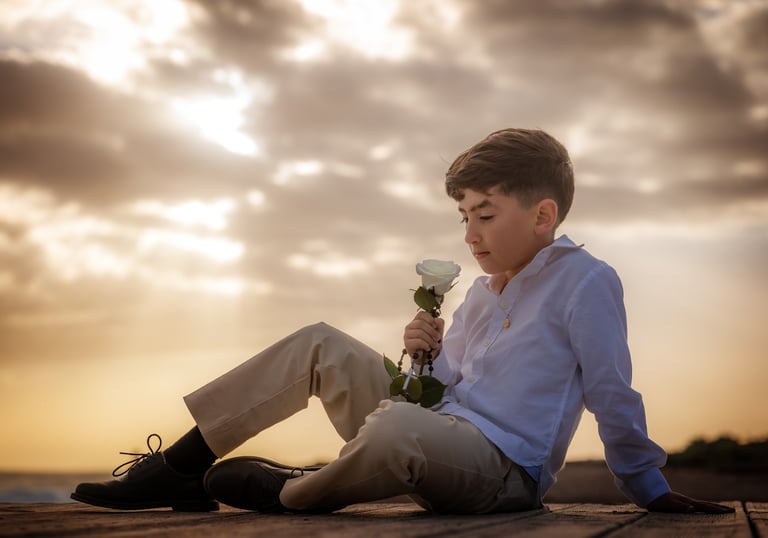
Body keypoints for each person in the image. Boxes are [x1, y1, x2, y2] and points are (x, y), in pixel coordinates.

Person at [71, 128, 733, 515]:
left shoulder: (587, 281)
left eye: (485, 214)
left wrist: (648, 487)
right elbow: (441, 392)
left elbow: (612, 390)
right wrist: (423, 356)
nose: (470, 234)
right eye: (464, 216)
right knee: (320, 343)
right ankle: (181, 467)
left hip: (504, 472)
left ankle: (297, 493)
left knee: (395, 427)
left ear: (542, 215)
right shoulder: (480, 295)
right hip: (434, 432)